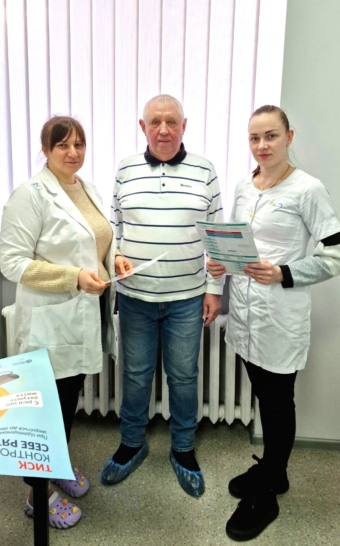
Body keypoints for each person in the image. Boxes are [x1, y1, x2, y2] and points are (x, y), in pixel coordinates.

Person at [207, 105, 340, 541]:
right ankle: (275, 471)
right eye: (254, 138)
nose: (262, 145)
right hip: (245, 314)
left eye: (270, 136)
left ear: (289, 136)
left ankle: (268, 490)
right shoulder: (243, 186)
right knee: (262, 397)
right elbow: (241, 247)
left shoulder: (308, 189)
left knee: (277, 403)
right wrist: (221, 264)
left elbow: (335, 257)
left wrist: (284, 272)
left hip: (280, 316)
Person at [0, 116, 132, 529]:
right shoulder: (30, 195)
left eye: (79, 144)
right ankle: (36, 495)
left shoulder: (86, 188)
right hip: (50, 322)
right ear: (45, 149)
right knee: (45, 413)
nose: (72, 152)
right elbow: (13, 263)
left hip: (83, 316)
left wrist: (115, 259)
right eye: (62, 145)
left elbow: (97, 241)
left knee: (66, 402)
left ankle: (55, 466)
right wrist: (73, 277)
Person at [99, 94, 224, 497]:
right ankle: (131, 443)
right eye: (155, 122)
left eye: (172, 121)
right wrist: (116, 255)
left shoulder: (205, 170)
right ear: (143, 127)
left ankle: (183, 448)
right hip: (135, 296)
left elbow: (217, 237)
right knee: (135, 375)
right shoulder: (126, 169)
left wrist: (214, 289)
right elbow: (114, 227)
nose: (164, 129)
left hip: (187, 297)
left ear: (184, 126)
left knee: (184, 377)